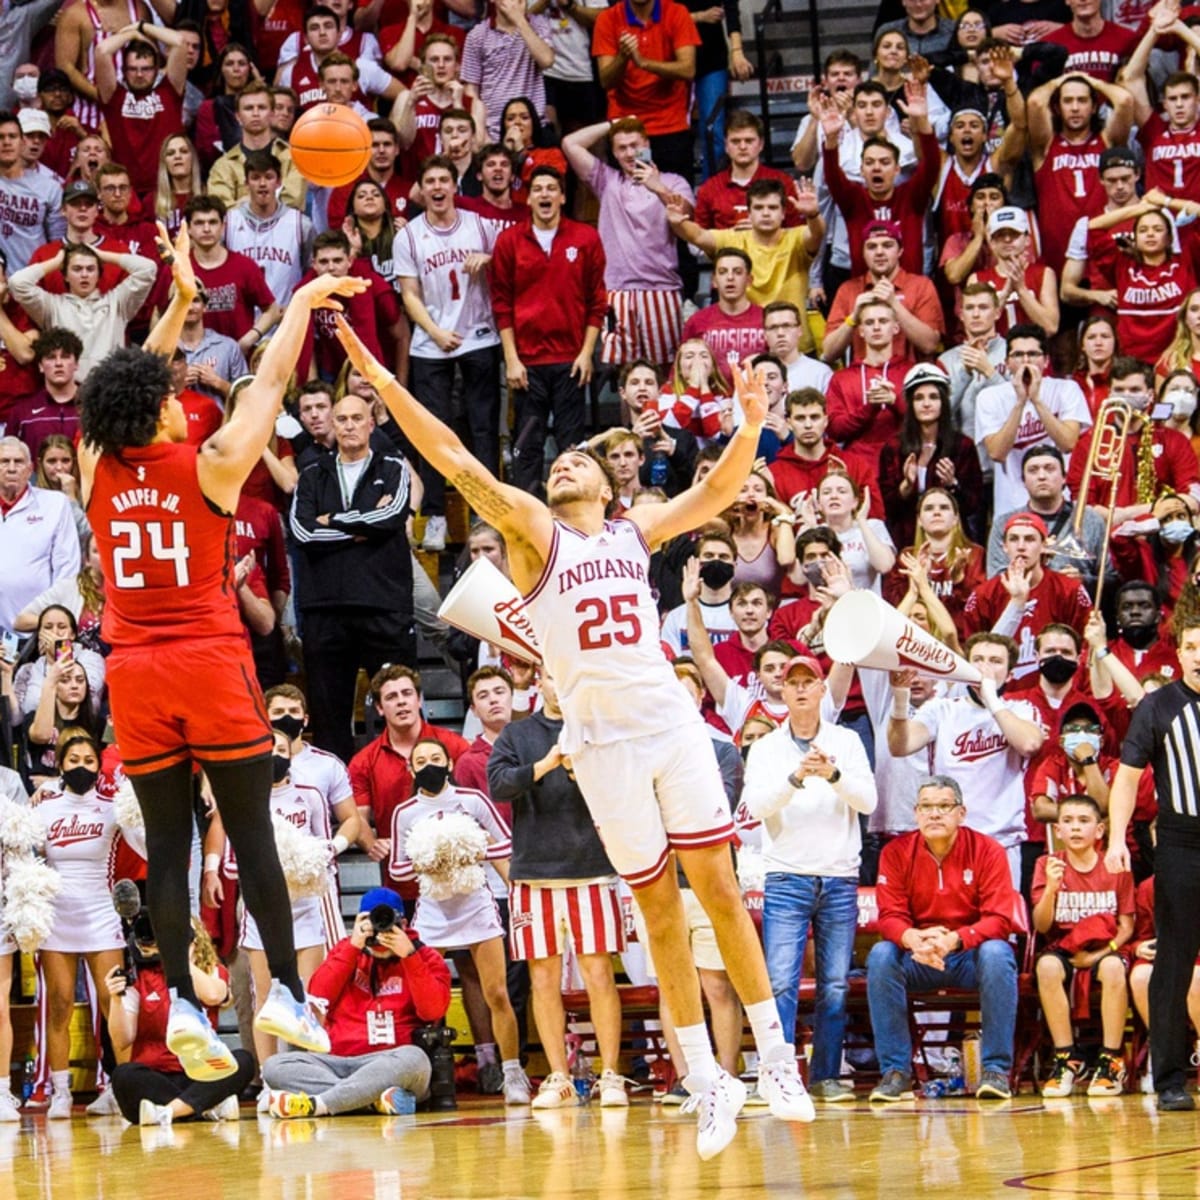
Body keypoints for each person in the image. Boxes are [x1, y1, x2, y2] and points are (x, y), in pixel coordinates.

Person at [332, 319, 815, 1158]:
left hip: (669, 725)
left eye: (580, 461)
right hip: (600, 748)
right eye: (558, 459)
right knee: (658, 908)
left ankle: (775, 1057)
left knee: (719, 888)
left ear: (608, 488)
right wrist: (376, 371)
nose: (563, 463)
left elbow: (717, 494)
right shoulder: (530, 527)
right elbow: (451, 454)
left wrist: (748, 422)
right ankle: (707, 1082)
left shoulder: (637, 529)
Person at [77, 232, 367, 1082]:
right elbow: (270, 383)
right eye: (169, 393)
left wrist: (173, 304)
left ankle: (195, 1012)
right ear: (160, 410)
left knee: (167, 847)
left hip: (132, 668)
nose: (179, 396)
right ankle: (288, 996)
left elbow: (121, 385)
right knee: (252, 835)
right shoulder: (209, 464)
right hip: (208, 660)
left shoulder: (93, 465)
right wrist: (305, 308)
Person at [487, 670, 628, 1108]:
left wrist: (580, 770)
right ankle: (559, 1076)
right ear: (539, 684)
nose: (556, 683)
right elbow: (499, 785)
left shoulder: (598, 731)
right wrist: (547, 764)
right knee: (542, 978)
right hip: (532, 874)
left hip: (591, 868)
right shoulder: (517, 733)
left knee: (599, 974)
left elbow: (622, 788)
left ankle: (611, 1076)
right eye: (550, 675)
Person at [741, 653, 876, 1100]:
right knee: (779, 981)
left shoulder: (848, 742)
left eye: (808, 681)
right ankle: (776, 1076)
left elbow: (869, 802)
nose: (799, 689)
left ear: (822, 689)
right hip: (786, 876)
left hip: (838, 876)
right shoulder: (765, 749)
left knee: (835, 984)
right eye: (791, 681)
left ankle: (825, 1077)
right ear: (781, 690)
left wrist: (833, 774)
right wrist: (797, 776)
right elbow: (757, 807)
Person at [387, 737, 528, 1103]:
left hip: (476, 905)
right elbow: (397, 867)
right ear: (411, 769)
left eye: (436, 758)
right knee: (424, 1001)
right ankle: (422, 1078)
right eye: (421, 760)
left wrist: (467, 847)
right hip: (434, 911)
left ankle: (512, 1073)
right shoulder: (405, 812)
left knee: (497, 992)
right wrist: (429, 857)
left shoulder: (472, 801)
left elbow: (504, 843)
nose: (429, 764)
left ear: (449, 764)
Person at [866, 775, 1019, 1102]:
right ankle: (896, 1073)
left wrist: (955, 940)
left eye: (944, 806)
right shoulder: (895, 852)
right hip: (919, 958)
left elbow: (999, 919)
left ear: (961, 813)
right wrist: (914, 939)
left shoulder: (988, 850)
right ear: (916, 812)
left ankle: (995, 1071)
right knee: (880, 955)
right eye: (927, 807)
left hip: (968, 956)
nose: (935, 814)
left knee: (998, 953)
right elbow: (890, 916)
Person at [1105, 608, 1200, 1110]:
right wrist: (1117, 837)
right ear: (1179, 654)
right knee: (1174, 960)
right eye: (1192, 647)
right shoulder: (1158, 706)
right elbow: (1125, 778)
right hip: (1183, 842)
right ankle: (1169, 1080)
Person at [289, 394, 416, 764]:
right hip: (325, 610)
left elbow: (392, 516)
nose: (348, 425)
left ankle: (403, 790)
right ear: (332, 424)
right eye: (341, 418)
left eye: (356, 418)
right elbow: (303, 532)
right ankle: (336, 805)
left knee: (399, 709)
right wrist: (362, 526)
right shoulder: (312, 472)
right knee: (329, 720)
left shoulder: (392, 466)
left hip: (383, 604)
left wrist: (334, 519)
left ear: (371, 423)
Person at [261, 887, 451, 1118]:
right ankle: (370, 1100)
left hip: (391, 1061)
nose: (380, 928)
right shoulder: (345, 949)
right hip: (338, 1062)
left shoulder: (424, 956)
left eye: (388, 920)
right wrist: (352, 948)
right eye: (371, 920)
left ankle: (320, 1103)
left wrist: (409, 957)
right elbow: (319, 997)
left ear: (404, 923)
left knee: (415, 1059)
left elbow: (433, 1011)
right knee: (275, 1066)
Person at [34, 728, 143, 1118]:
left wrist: (135, 810)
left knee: (114, 1001)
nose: (82, 767)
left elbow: (144, 846)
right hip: (55, 916)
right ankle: (60, 1090)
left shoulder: (113, 805)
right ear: (60, 765)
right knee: (60, 1004)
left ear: (100, 767)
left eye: (89, 762)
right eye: (74, 761)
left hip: (101, 913)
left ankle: (119, 1087)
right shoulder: (43, 808)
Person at [396, 155, 501, 554]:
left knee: (482, 428)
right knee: (435, 433)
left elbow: (506, 268)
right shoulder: (408, 236)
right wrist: (436, 332)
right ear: (421, 190)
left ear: (456, 185)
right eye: (430, 181)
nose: (437, 188)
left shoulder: (480, 225)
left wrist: (490, 259)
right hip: (431, 341)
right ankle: (436, 515)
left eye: (444, 180)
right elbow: (409, 294)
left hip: (479, 335)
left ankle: (487, 509)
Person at [886, 633, 1045, 884]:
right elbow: (899, 746)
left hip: (1001, 843)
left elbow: (1029, 743)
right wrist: (899, 699)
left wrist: (990, 697)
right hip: (949, 842)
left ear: (1011, 673)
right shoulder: (942, 709)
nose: (985, 667)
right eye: (977, 660)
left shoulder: (1021, 709)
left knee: (1002, 922)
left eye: (995, 661)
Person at [489, 166, 606, 496]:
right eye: (537, 188)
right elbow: (501, 304)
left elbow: (596, 301)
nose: (544, 194)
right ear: (528, 198)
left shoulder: (585, 238)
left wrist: (586, 353)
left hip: (571, 361)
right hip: (526, 365)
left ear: (563, 196)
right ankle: (530, 515)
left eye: (551, 188)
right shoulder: (509, 241)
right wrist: (511, 359)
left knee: (573, 447)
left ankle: (574, 511)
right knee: (527, 445)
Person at [1032, 794, 1134, 1097]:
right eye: (1067, 821)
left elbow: (1127, 926)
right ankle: (1067, 1058)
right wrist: (1051, 889)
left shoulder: (1116, 865)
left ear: (1100, 830)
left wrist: (1099, 955)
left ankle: (1111, 1059)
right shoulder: (1046, 864)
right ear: (1058, 831)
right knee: (1047, 967)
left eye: (1083, 821)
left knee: (1114, 968)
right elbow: (1041, 925)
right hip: (1064, 947)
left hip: (1107, 946)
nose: (1075, 828)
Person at [106, 915, 252, 1127]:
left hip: (202, 1072)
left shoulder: (211, 970)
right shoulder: (140, 977)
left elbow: (213, 995)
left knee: (243, 1061)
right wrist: (115, 999)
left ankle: (168, 1111)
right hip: (157, 1075)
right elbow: (122, 1039)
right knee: (123, 1075)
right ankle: (205, 1106)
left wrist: (180, 963)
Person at [974, 323, 1091, 514]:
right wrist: (1020, 402)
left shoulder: (1067, 389)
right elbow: (996, 452)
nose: (1026, 360)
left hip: (1060, 504)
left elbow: (1068, 442)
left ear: (1046, 361)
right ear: (1007, 362)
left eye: (1033, 354)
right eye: (1018, 355)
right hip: (1011, 507)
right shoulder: (989, 397)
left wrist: (1036, 400)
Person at [9, 241, 157, 380]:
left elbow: (148, 269)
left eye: (91, 269)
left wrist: (103, 255)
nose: (84, 274)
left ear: (99, 275)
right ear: (65, 276)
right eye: (77, 269)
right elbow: (17, 283)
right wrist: (56, 262)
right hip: (68, 393)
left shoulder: (118, 303)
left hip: (111, 392)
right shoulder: (51, 306)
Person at [0, 437, 81, 634]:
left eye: (18, 462)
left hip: (38, 629)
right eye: (4, 461)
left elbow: (67, 569)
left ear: (30, 469)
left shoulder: (55, 504)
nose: (11, 468)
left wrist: (55, 623)